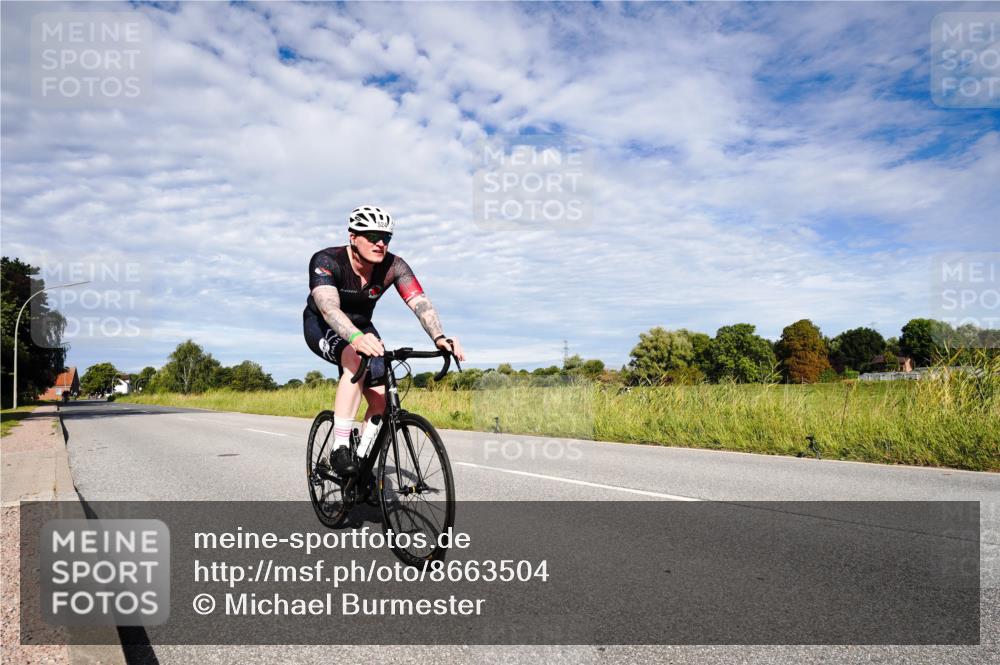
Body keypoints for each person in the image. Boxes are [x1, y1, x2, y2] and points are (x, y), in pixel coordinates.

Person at [303, 205, 466, 476]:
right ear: (353, 237)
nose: (381, 243)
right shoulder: (326, 260)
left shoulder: (394, 265)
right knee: (354, 360)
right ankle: (340, 448)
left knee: (380, 399)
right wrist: (354, 337)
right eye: (373, 236)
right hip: (322, 324)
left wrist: (439, 336)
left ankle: (362, 465)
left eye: (387, 238)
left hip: (363, 327)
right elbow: (328, 308)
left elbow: (420, 302)